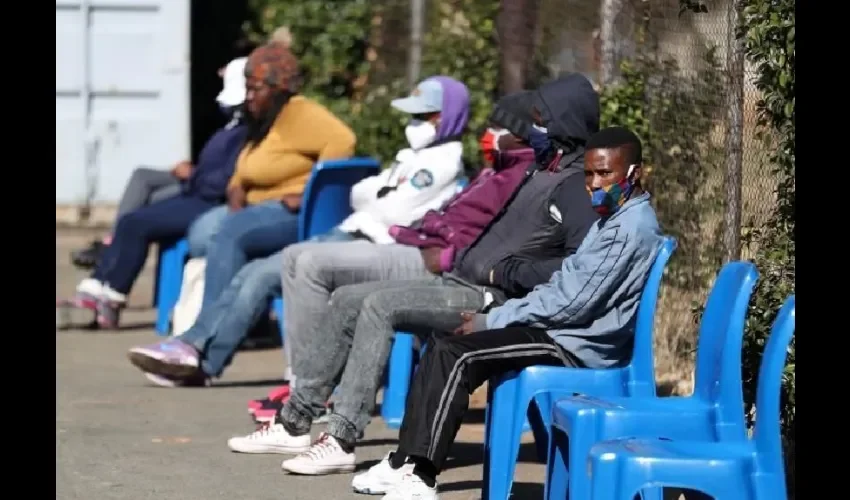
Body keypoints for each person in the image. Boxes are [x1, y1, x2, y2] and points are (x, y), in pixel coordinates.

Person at [223, 74, 601, 472]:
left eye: (543, 120)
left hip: (488, 295)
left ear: (564, 123)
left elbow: (575, 265)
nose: (533, 129)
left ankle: (341, 437)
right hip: (460, 278)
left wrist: (503, 271)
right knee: (347, 298)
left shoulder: (575, 186)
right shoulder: (541, 170)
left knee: (378, 306)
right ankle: (294, 420)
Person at [352, 127, 665, 499]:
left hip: (577, 345)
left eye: (605, 174)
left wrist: (493, 319)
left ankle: (422, 475)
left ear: (634, 172)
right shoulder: (611, 218)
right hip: (561, 330)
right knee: (444, 340)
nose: (594, 183)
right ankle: (405, 459)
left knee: (458, 355)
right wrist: (506, 312)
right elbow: (563, 284)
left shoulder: (628, 229)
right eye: (589, 174)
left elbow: (572, 303)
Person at [125, 76, 472, 387]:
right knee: (251, 271)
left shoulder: (442, 162)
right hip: (352, 231)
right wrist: (375, 196)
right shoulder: (413, 155)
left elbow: (388, 208)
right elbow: (360, 193)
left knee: (262, 275)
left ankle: (200, 353)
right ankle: (199, 356)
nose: (414, 123)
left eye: (424, 116)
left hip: (374, 244)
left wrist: (375, 197)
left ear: (448, 118)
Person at [179, 41, 357, 319]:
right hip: (253, 205)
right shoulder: (265, 119)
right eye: (247, 88)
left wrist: (310, 194)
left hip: (291, 213)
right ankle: (248, 315)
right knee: (200, 236)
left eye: (255, 89)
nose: (248, 97)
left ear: (279, 89)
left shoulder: (301, 113)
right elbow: (246, 162)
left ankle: (209, 326)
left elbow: (344, 140)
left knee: (229, 233)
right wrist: (235, 187)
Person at [69, 58, 250, 328]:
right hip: (199, 194)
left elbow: (222, 179)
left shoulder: (245, 131)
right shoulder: (235, 126)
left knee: (135, 223)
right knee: (137, 217)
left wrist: (193, 176)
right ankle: (101, 283)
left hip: (207, 202)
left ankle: (113, 293)